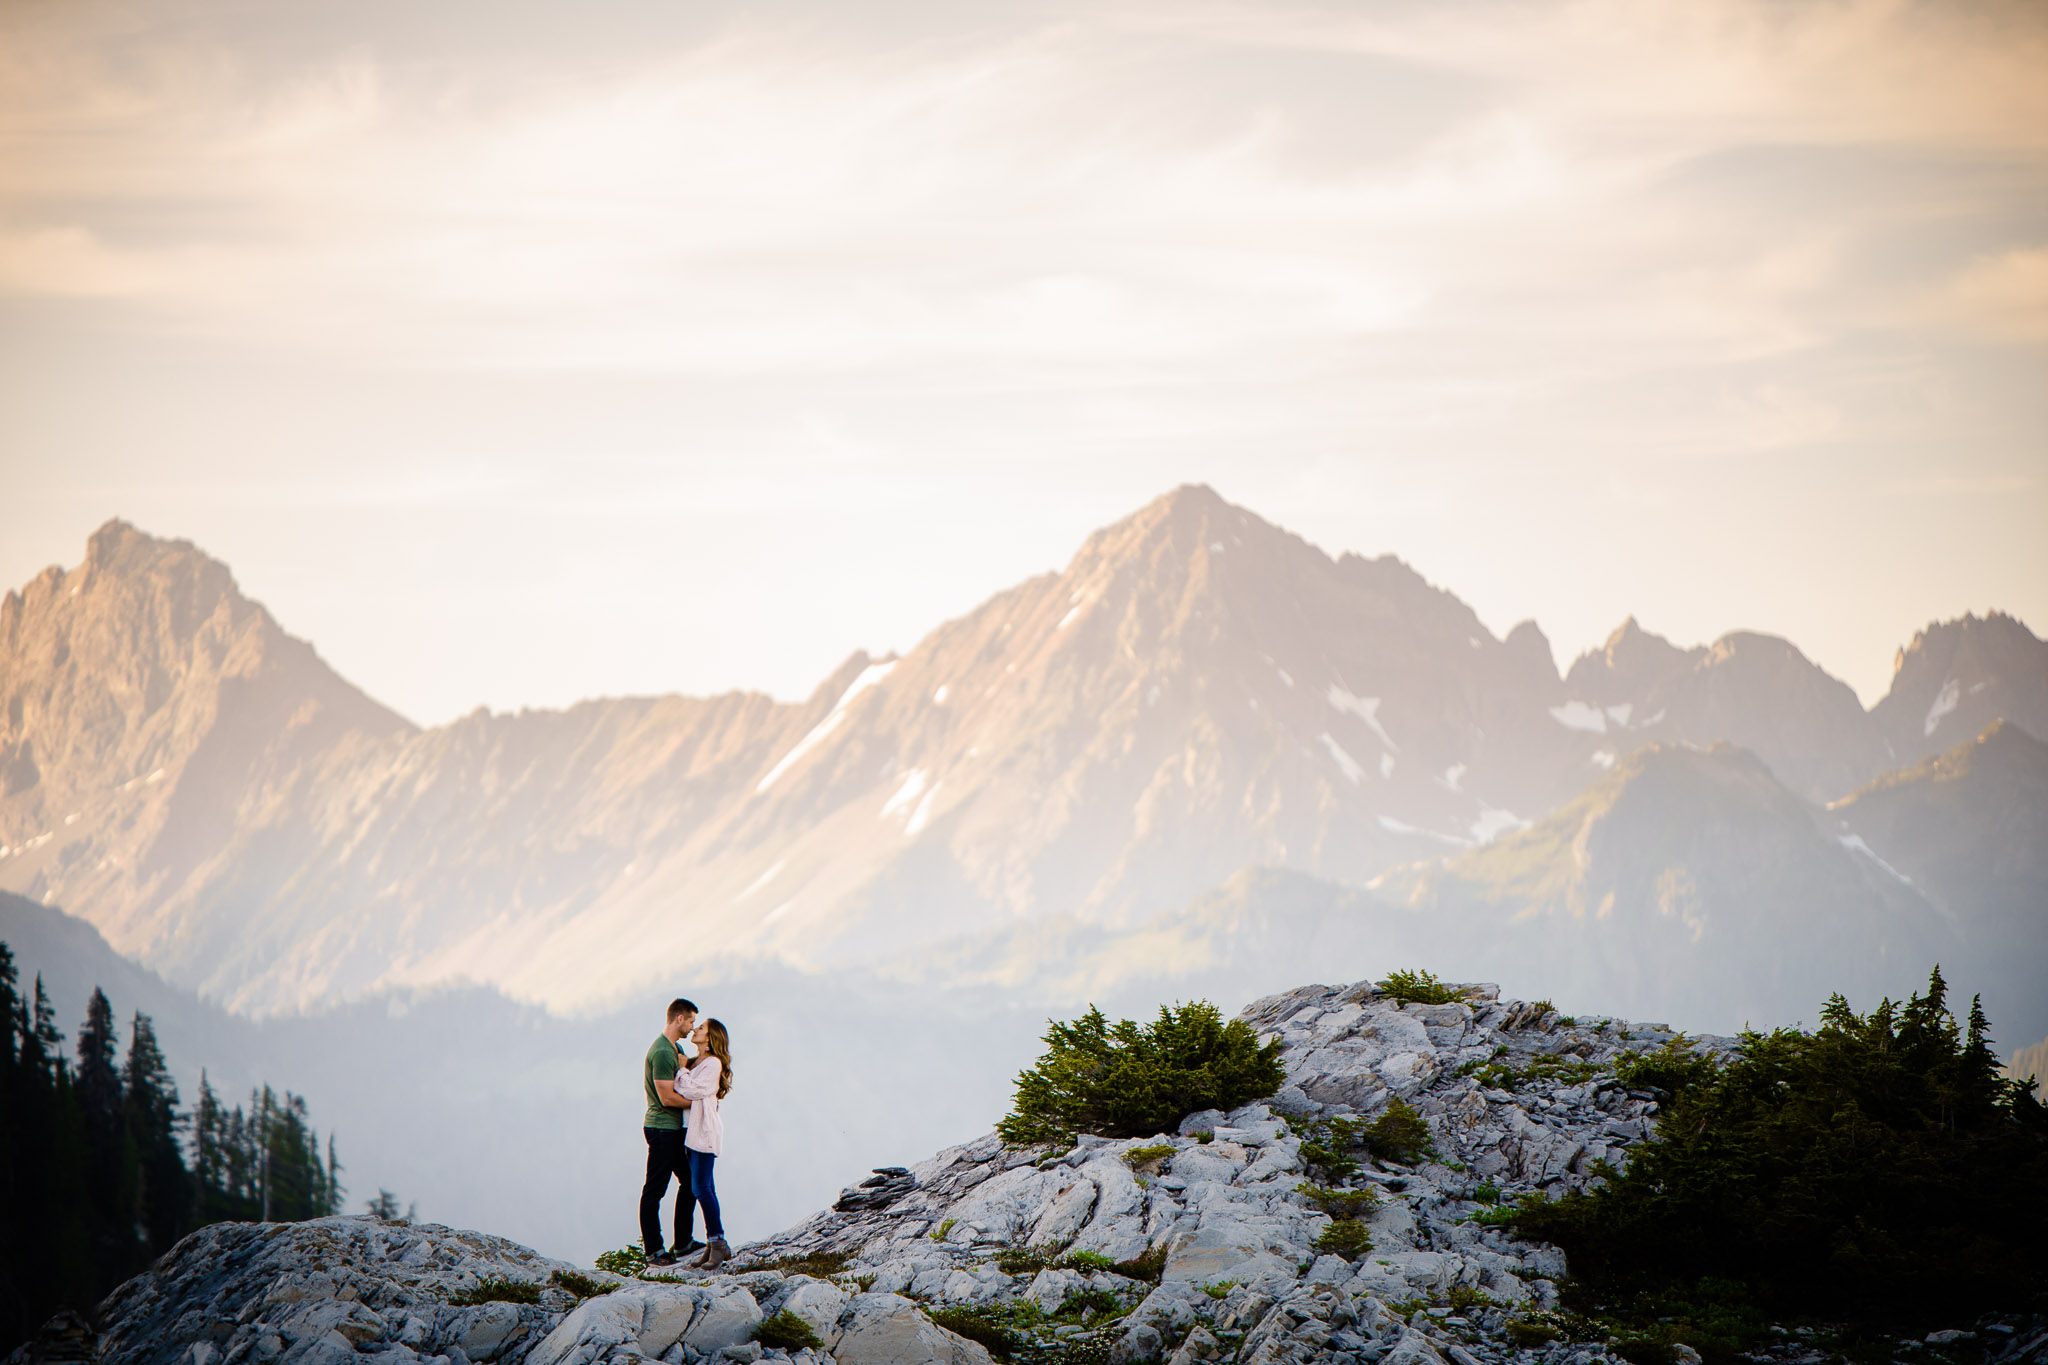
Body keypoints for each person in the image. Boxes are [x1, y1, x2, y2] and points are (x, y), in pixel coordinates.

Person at [640, 997, 701, 1266]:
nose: (691, 1027)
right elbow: (666, 1098)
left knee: (690, 1182)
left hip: (673, 1130)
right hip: (661, 1129)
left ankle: (683, 1243)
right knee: (655, 1190)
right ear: (678, 1018)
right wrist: (702, 1104)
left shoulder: (673, 1048)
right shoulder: (663, 1052)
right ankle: (654, 1251)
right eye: (690, 1021)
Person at [676, 1017, 733, 1269]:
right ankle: (714, 1243)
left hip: (705, 1133)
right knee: (705, 1186)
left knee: (700, 1188)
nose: (695, 1029)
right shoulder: (696, 1061)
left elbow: (692, 1091)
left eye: (701, 1028)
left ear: (709, 1040)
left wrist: (681, 1071)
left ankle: (717, 1241)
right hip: (692, 1133)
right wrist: (685, 1070)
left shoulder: (713, 1063)